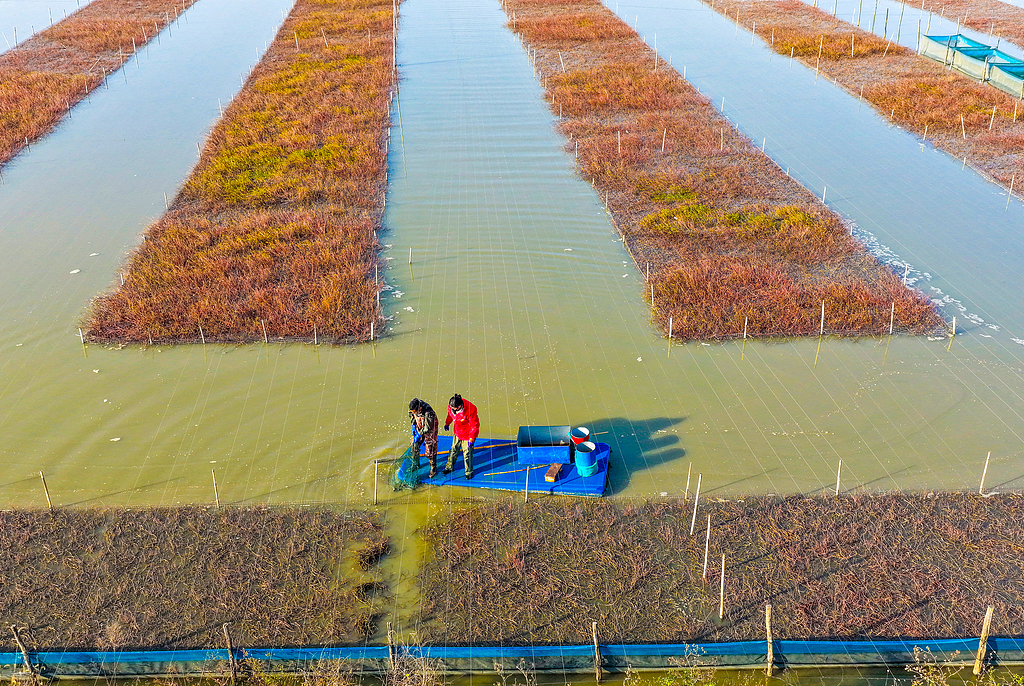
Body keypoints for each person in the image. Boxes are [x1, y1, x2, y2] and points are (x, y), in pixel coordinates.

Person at [443, 393, 479, 479]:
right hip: (458, 432)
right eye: (451, 407)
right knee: (453, 449)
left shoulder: (470, 410)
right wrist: (447, 423)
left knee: (467, 454)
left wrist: (472, 438)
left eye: (454, 408)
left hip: (468, 435)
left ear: (459, 406)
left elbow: (475, 426)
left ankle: (468, 472)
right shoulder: (451, 406)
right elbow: (450, 415)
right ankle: (449, 467)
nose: (452, 409)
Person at [409, 398, 439, 478]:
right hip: (420, 426)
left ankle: (433, 468)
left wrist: (419, 435)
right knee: (414, 446)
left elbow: (428, 427)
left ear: (420, 409)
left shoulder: (429, 412)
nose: (413, 413)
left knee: (430, 451)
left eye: (415, 411)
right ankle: (416, 464)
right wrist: (413, 425)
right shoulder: (414, 407)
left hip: (430, 428)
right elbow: (411, 414)